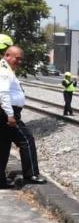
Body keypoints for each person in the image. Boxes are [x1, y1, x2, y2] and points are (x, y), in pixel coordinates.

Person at [0, 46, 46, 186]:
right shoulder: (4, 71)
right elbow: (3, 93)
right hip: (7, 112)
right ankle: (31, 174)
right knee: (26, 139)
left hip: (7, 111)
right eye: (16, 58)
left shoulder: (6, 69)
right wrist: (10, 115)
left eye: (21, 59)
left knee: (3, 145)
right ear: (7, 56)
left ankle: (1, 180)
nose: (19, 61)